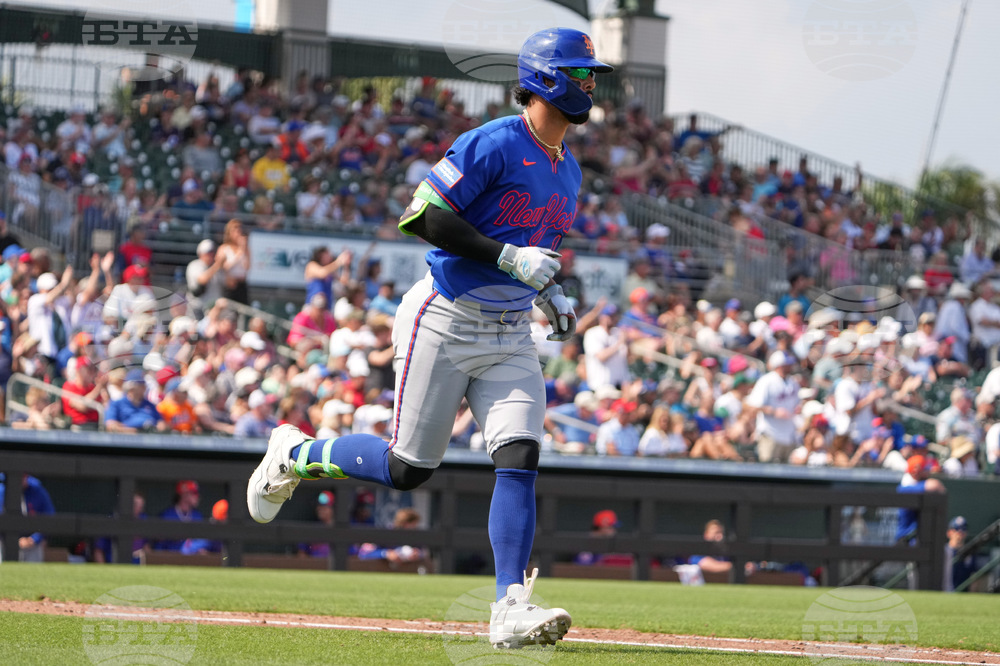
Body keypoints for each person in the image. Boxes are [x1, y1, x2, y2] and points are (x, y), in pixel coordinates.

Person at [246, 27, 611, 650]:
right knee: (407, 468)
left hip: (508, 331)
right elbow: (421, 213)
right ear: (548, 79)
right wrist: (509, 259)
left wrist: (547, 290)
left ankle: (509, 606)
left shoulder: (569, 167)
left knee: (519, 457)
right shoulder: (495, 141)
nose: (591, 84)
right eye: (581, 74)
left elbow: (536, 249)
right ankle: (294, 454)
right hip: (444, 316)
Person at [0, 473, 56, 562]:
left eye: (23, 477)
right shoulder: (2, 492)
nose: (20, 480)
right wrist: (10, 540)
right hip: (5, 541)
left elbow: (50, 517)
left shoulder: (38, 491)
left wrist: (34, 539)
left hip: (32, 542)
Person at [157, 480, 204, 551]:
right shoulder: (168, 515)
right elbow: (159, 546)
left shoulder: (197, 516)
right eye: (194, 493)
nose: (197, 496)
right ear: (184, 494)